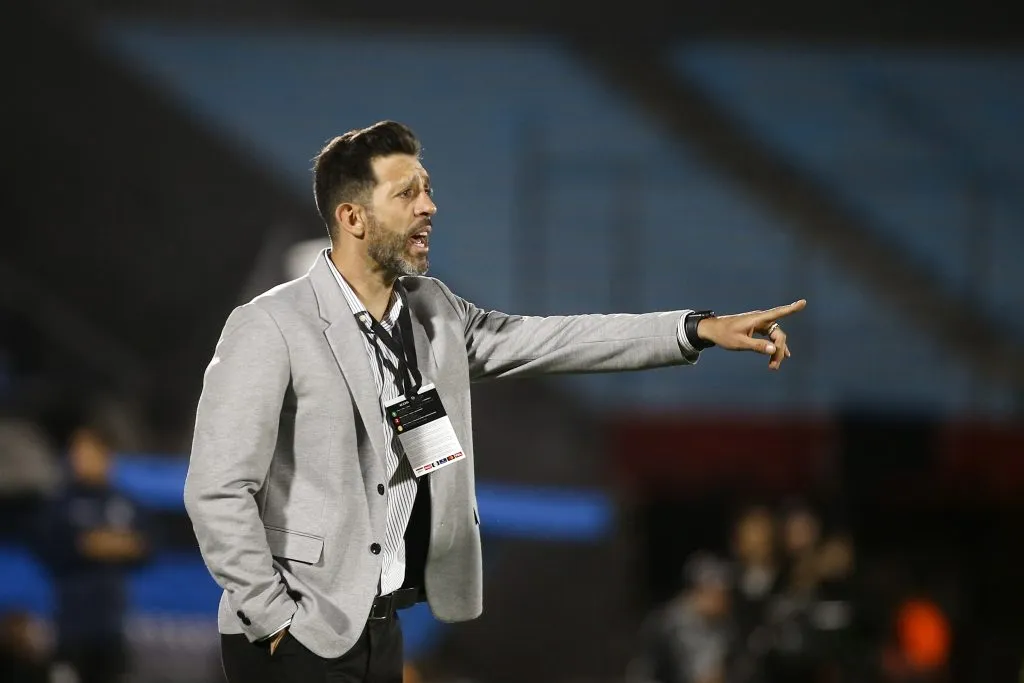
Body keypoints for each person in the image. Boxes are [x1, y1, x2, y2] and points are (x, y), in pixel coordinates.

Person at [183, 120, 807, 683]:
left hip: (380, 627)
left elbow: (556, 340)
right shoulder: (270, 325)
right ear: (352, 217)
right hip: (296, 633)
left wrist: (694, 329)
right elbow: (215, 489)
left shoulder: (433, 313)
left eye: (426, 189)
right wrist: (271, 618)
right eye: (406, 194)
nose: (429, 206)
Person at [34, 408, 150, 683]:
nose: (82, 457)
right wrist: (107, 544)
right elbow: (55, 546)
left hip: (112, 625)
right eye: (77, 450)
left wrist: (96, 543)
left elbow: (145, 545)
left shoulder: (124, 502)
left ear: (107, 455)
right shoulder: (59, 503)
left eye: (90, 450)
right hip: (70, 626)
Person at [627, 553, 736, 683]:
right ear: (697, 591)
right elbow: (643, 672)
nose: (723, 600)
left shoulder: (726, 627)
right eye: (716, 593)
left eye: (725, 593)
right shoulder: (665, 625)